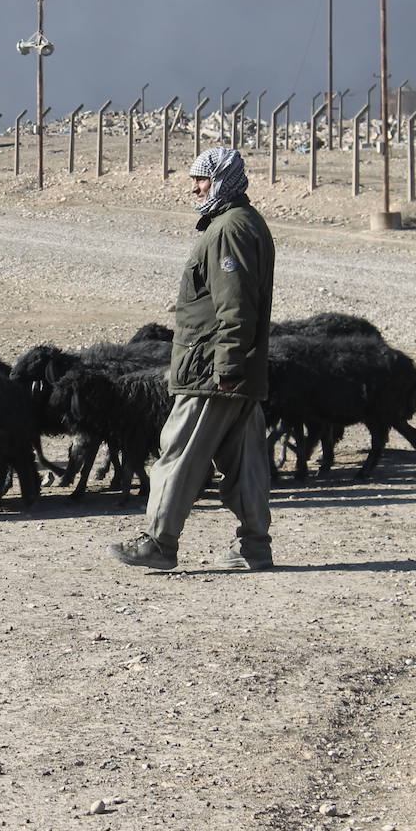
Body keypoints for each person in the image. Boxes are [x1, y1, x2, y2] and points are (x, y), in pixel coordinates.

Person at [108, 146, 275, 571]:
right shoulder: (244, 222)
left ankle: (159, 543)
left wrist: (227, 366)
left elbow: (235, 306)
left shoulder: (228, 229)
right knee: (245, 462)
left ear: (223, 181)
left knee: (179, 452)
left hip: (212, 370)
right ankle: (254, 546)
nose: (195, 188)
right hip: (237, 368)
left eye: (202, 179)